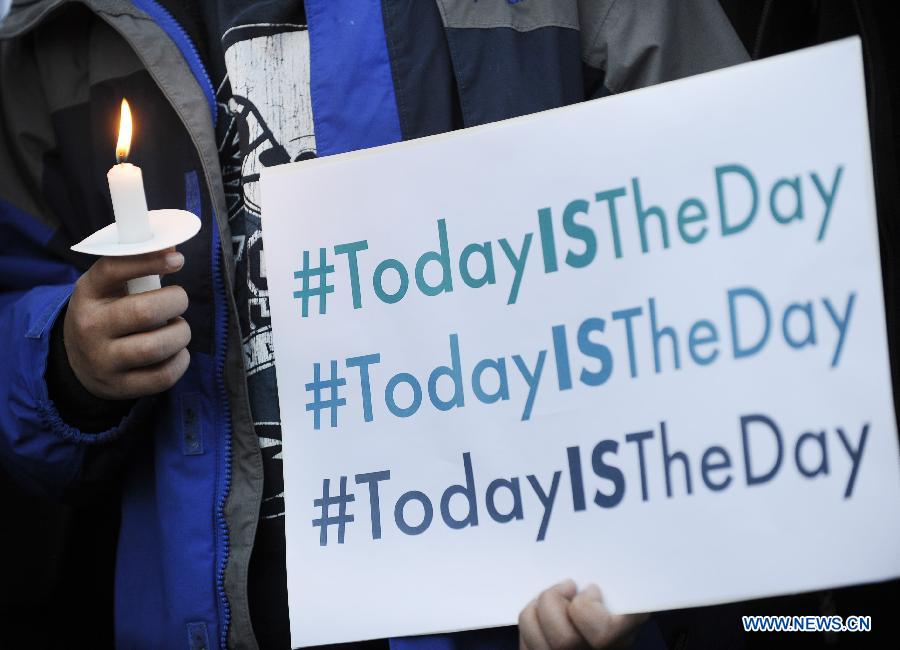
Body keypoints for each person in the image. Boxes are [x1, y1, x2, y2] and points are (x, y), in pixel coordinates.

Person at [0, 1, 748, 648]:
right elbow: (15, 311)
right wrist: (67, 363)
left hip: (531, 595)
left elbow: (740, 240)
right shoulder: (56, 33)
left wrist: (648, 551)